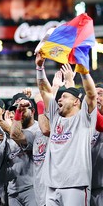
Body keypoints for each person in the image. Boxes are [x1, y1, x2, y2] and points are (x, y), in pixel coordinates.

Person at [35, 52, 97, 205]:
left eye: (64, 97)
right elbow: (44, 91)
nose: (59, 99)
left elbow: (91, 94)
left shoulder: (84, 118)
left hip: (75, 185)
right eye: (60, 97)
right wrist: (39, 67)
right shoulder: (56, 118)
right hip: (51, 186)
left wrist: (84, 72)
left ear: (76, 102)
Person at [10, 93, 48, 206]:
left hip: (32, 187)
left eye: (23, 110)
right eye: (16, 110)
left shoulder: (38, 129)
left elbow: (15, 135)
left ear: (33, 112)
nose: (19, 113)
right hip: (14, 188)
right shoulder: (13, 124)